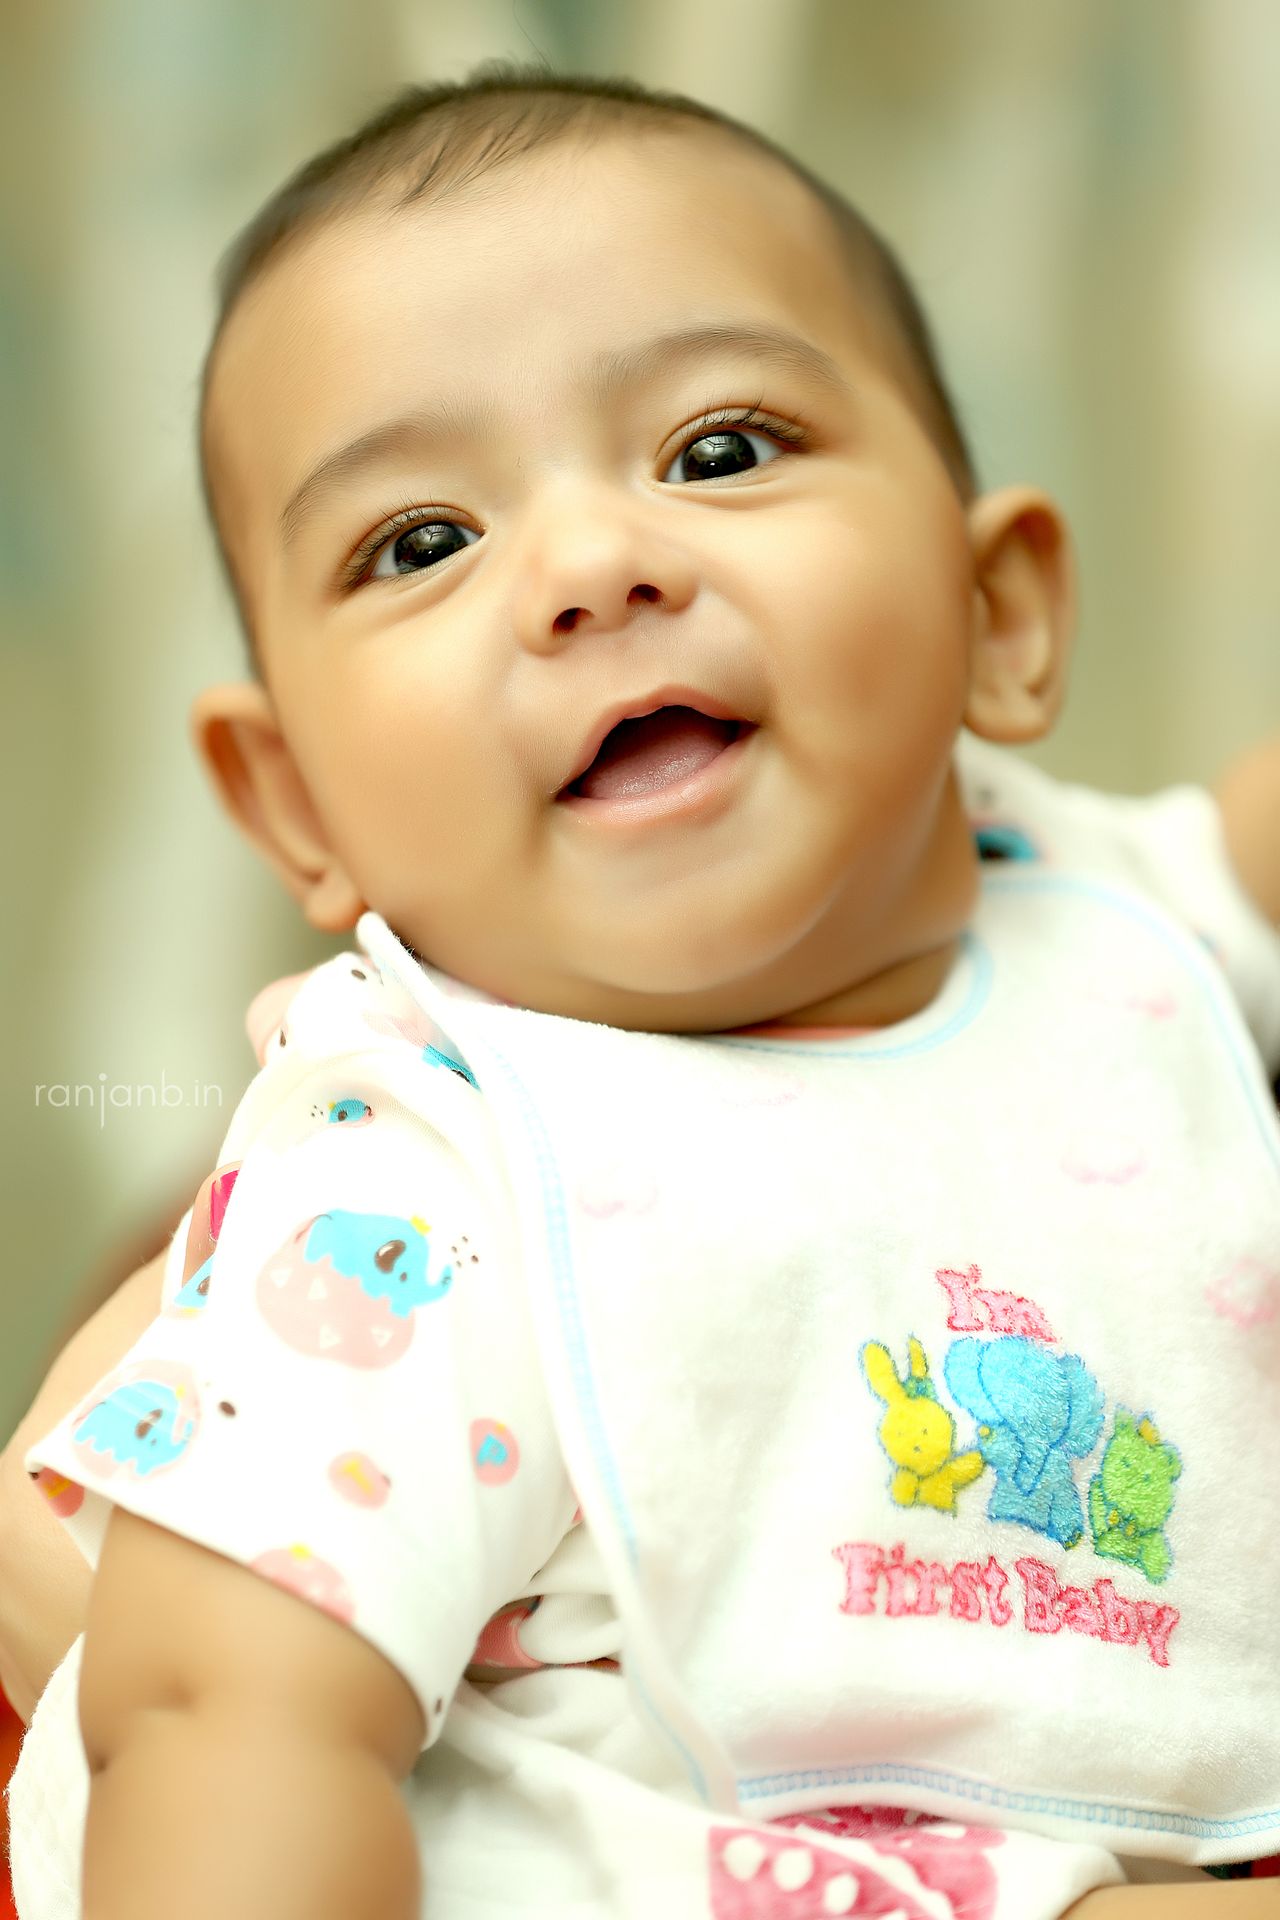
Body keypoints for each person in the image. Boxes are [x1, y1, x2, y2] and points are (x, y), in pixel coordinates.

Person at [9, 59, 1280, 1920]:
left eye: (720, 448)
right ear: (301, 805)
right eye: (420, 542)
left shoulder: (1109, 916)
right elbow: (223, 1710)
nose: (594, 567)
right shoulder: (415, 1184)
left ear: (996, 614)